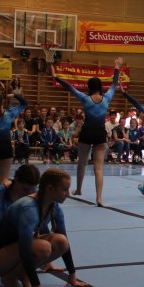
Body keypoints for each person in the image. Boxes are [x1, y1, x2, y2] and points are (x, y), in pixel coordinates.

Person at [0, 168, 84, 287]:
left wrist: (72, 274)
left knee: (61, 241)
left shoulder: (54, 206)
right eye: (65, 190)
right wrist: (36, 286)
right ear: (50, 189)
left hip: (14, 250)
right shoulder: (28, 207)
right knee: (43, 247)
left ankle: (21, 273)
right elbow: (25, 249)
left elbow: (63, 238)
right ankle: (9, 277)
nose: (68, 195)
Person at [50, 57, 123, 206]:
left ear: (89, 87)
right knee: (98, 168)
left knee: (82, 163)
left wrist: (56, 77)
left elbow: (69, 87)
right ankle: (99, 198)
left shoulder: (85, 99)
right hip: (100, 133)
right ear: (100, 87)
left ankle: (79, 189)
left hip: (87, 132)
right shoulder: (107, 98)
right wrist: (116, 67)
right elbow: (114, 84)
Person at [0, 163, 40, 242]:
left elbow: (41, 224)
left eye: (33, 189)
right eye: (25, 189)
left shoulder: (35, 192)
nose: (29, 193)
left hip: (24, 230)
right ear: (16, 180)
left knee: (54, 240)